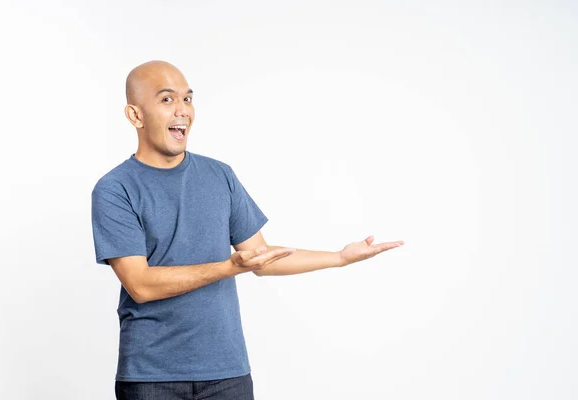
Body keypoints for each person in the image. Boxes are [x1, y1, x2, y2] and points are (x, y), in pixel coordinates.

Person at [91, 60, 404, 400]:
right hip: (151, 377)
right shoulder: (115, 189)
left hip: (228, 373)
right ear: (135, 115)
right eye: (167, 100)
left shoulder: (219, 176)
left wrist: (340, 257)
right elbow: (140, 285)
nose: (182, 110)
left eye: (188, 99)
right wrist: (229, 267)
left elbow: (261, 257)